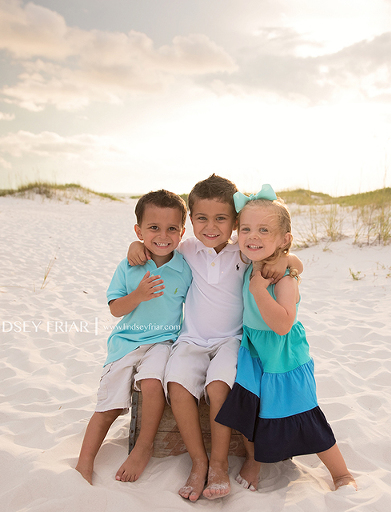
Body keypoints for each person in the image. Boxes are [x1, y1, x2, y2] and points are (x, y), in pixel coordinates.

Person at [126, 175, 303, 501]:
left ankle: (219, 463)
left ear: (235, 222)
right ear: (189, 220)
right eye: (201, 218)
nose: (211, 226)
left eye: (221, 218)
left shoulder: (244, 252)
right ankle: (199, 461)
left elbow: (289, 258)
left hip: (231, 341)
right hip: (191, 339)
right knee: (177, 386)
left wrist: (287, 259)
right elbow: (155, 247)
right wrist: (136, 245)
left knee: (218, 388)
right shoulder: (188, 249)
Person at [215, 185, 357, 492]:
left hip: (283, 354)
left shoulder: (283, 278)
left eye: (264, 230)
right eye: (246, 229)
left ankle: (340, 472)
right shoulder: (253, 262)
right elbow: (295, 260)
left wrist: (259, 288)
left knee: (302, 411)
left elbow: (283, 324)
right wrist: (288, 258)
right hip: (254, 350)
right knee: (251, 407)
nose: (252, 236)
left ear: (284, 240)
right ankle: (255, 460)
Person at [75, 189, 192, 485]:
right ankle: (84, 462)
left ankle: (143, 447)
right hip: (127, 341)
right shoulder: (129, 265)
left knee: (152, 384)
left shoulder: (185, 268)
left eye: (171, 229)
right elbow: (115, 309)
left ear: (182, 231)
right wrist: (138, 295)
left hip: (163, 341)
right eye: (153, 228)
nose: (162, 235)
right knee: (108, 407)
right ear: (139, 231)